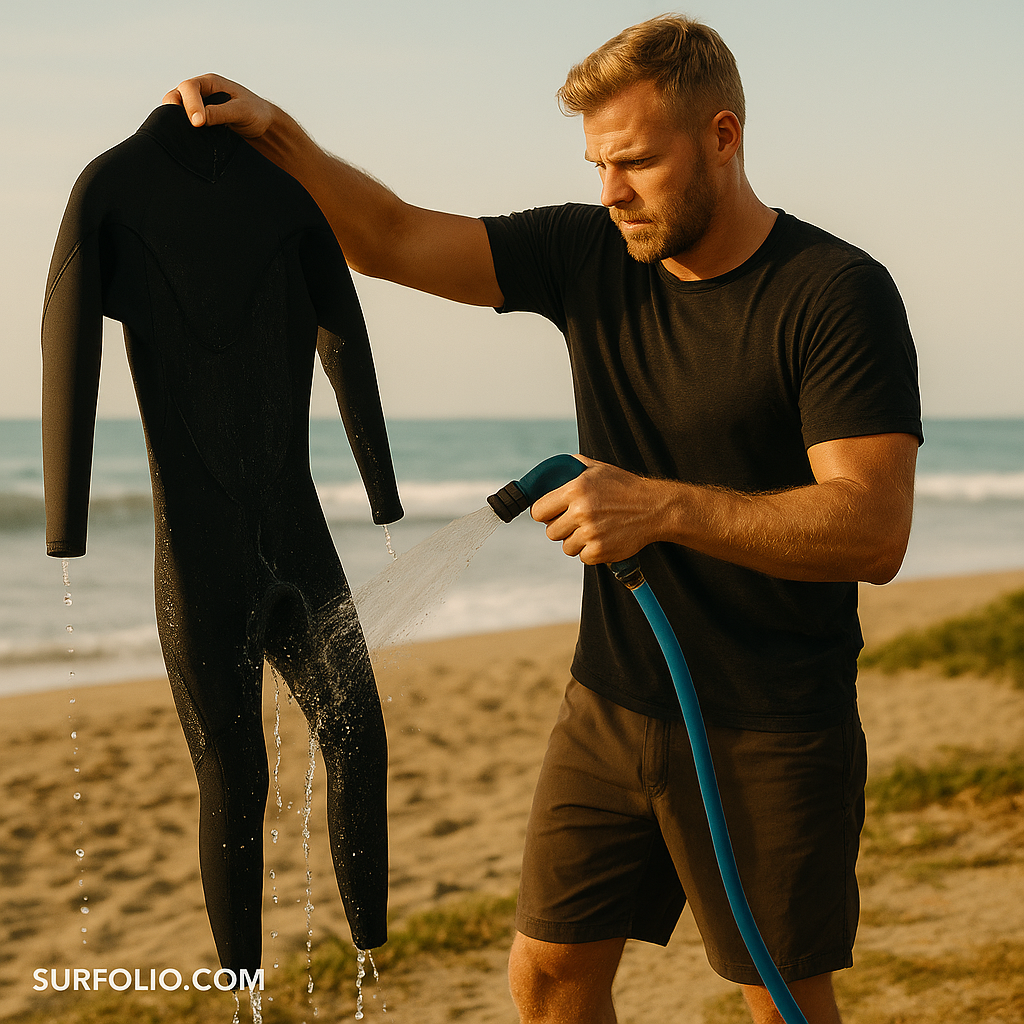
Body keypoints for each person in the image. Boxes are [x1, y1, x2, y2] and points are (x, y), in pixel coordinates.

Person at [165, 14, 920, 1024]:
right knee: (549, 978)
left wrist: (657, 506)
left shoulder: (833, 295)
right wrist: (272, 134)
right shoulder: (585, 251)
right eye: (598, 163)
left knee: (776, 1000)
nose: (611, 191)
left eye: (638, 162)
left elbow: (871, 531)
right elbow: (388, 236)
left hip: (769, 721)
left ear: (723, 136)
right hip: (607, 704)